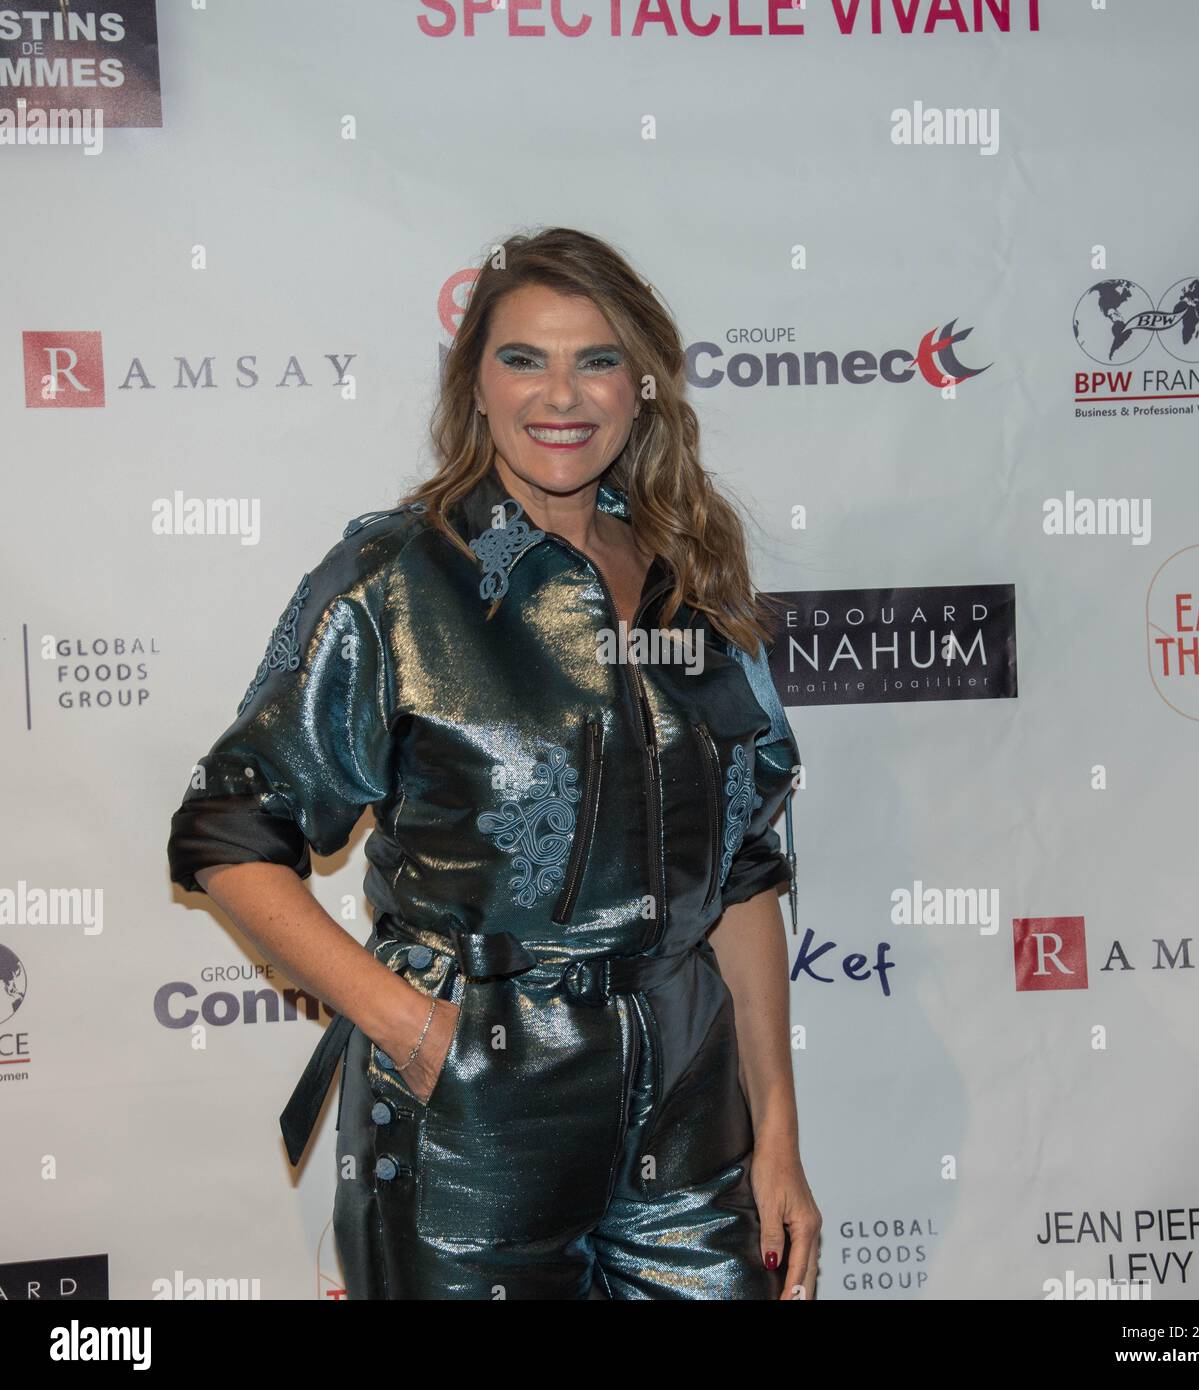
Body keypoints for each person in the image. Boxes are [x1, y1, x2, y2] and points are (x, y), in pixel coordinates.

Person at [166, 226, 820, 1300]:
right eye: (523, 357)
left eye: (596, 358)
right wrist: (413, 1031)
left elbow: (744, 872)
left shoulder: (691, 580)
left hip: (690, 1109)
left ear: (644, 384)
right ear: (474, 383)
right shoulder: (397, 577)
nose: (560, 394)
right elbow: (228, 834)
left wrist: (778, 1136)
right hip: (470, 1114)